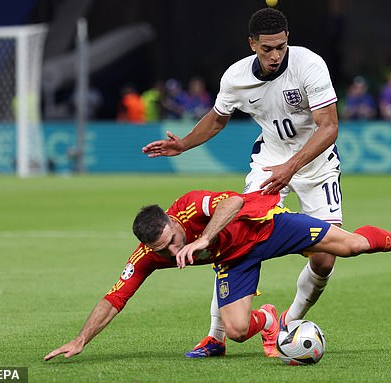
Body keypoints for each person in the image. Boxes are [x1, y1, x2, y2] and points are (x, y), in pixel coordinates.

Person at [142, 8, 343, 358]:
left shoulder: (310, 65)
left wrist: (291, 168)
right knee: (232, 234)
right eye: (267, 49)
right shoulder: (236, 77)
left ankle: (287, 324)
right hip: (269, 162)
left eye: (281, 47)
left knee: (325, 258)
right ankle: (215, 336)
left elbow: (328, 127)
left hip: (317, 166)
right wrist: (184, 143)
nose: (276, 55)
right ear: (252, 44)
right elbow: (217, 119)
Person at [44, 189, 391, 362]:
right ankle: (271, 320)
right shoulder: (150, 255)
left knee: (350, 248)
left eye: (172, 241)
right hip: (234, 261)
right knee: (238, 330)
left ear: (172, 219)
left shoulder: (189, 207)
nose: (171, 252)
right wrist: (80, 340)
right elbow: (115, 297)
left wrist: (202, 238)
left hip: (265, 226)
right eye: (162, 249)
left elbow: (235, 200)